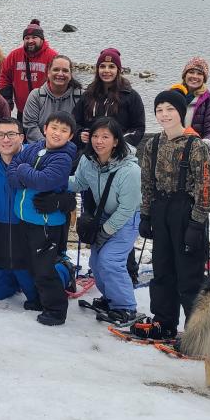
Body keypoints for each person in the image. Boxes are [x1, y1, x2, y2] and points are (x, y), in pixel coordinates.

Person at [133, 89, 210, 341]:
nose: (165, 115)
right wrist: (146, 215)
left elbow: (204, 187)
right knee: (162, 271)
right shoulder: (153, 144)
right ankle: (164, 321)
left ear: (181, 113)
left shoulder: (195, 146)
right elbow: (146, 182)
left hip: (186, 211)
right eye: (159, 110)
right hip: (160, 209)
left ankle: (198, 332)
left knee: (189, 277)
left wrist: (196, 223)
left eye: (170, 109)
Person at [68, 117, 142, 326]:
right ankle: (111, 299)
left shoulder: (130, 170)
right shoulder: (88, 160)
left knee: (111, 261)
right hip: (104, 215)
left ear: (116, 141)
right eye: (95, 136)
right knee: (96, 262)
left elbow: (127, 208)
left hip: (127, 217)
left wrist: (106, 231)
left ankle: (126, 307)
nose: (99, 141)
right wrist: (53, 182)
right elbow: (80, 182)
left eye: (105, 137)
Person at [6, 112, 78, 326]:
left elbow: (44, 181)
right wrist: (21, 173)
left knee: (45, 268)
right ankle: (39, 299)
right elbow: (12, 174)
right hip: (26, 218)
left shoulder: (63, 157)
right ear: (45, 128)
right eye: (54, 128)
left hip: (46, 223)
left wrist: (23, 170)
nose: (57, 133)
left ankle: (56, 309)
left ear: (71, 136)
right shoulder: (33, 148)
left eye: (64, 130)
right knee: (31, 264)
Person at [0, 117, 36, 304]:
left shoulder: (36, 162)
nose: (6, 139)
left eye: (11, 134)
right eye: (1, 135)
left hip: (28, 236)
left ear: (22, 137)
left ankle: (62, 270)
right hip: (2, 236)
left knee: (37, 297)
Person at [72, 48, 145, 150]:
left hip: (120, 151)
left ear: (118, 70)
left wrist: (120, 142)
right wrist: (80, 134)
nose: (106, 70)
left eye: (111, 67)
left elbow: (138, 127)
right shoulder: (88, 94)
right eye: (102, 66)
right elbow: (74, 121)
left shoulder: (131, 96)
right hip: (90, 150)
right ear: (97, 69)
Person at [0, 19, 57, 116]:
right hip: (22, 110)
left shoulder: (52, 56)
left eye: (34, 37)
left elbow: (57, 80)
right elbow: (5, 76)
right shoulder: (14, 55)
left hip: (45, 110)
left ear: (42, 39)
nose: (30, 41)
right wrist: (7, 97)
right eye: (27, 38)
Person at [22, 54, 82, 143]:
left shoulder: (80, 96)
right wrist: (48, 146)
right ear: (48, 73)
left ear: (70, 75)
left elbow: (82, 126)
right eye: (56, 69)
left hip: (71, 147)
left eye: (65, 71)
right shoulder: (36, 96)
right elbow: (30, 126)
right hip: (40, 146)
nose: (60, 74)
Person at [173, 56, 210, 156]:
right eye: (191, 72)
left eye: (199, 73)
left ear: (204, 78)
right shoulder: (173, 97)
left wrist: (206, 143)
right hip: (176, 151)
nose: (195, 76)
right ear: (184, 75)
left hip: (200, 153)